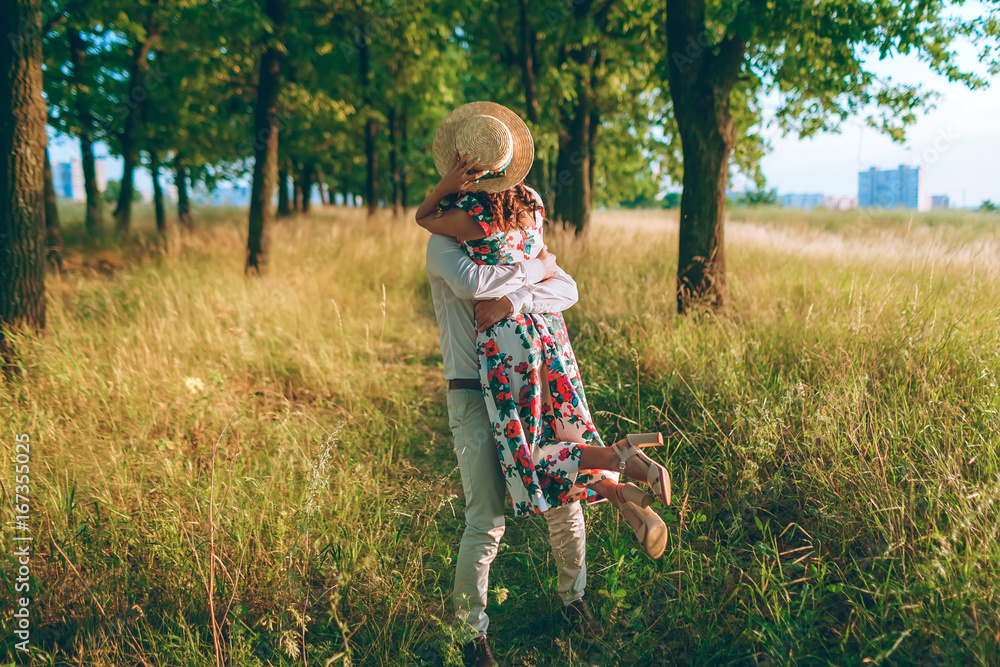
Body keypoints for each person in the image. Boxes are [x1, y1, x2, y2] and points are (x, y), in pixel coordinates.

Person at [416, 102, 672, 665]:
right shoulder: (450, 245)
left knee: (562, 507)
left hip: (512, 375)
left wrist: (521, 288)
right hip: (472, 389)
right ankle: (472, 637)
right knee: (486, 520)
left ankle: (573, 600)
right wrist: (534, 271)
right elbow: (479, 287)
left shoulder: (496, 233)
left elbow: (563, 290)